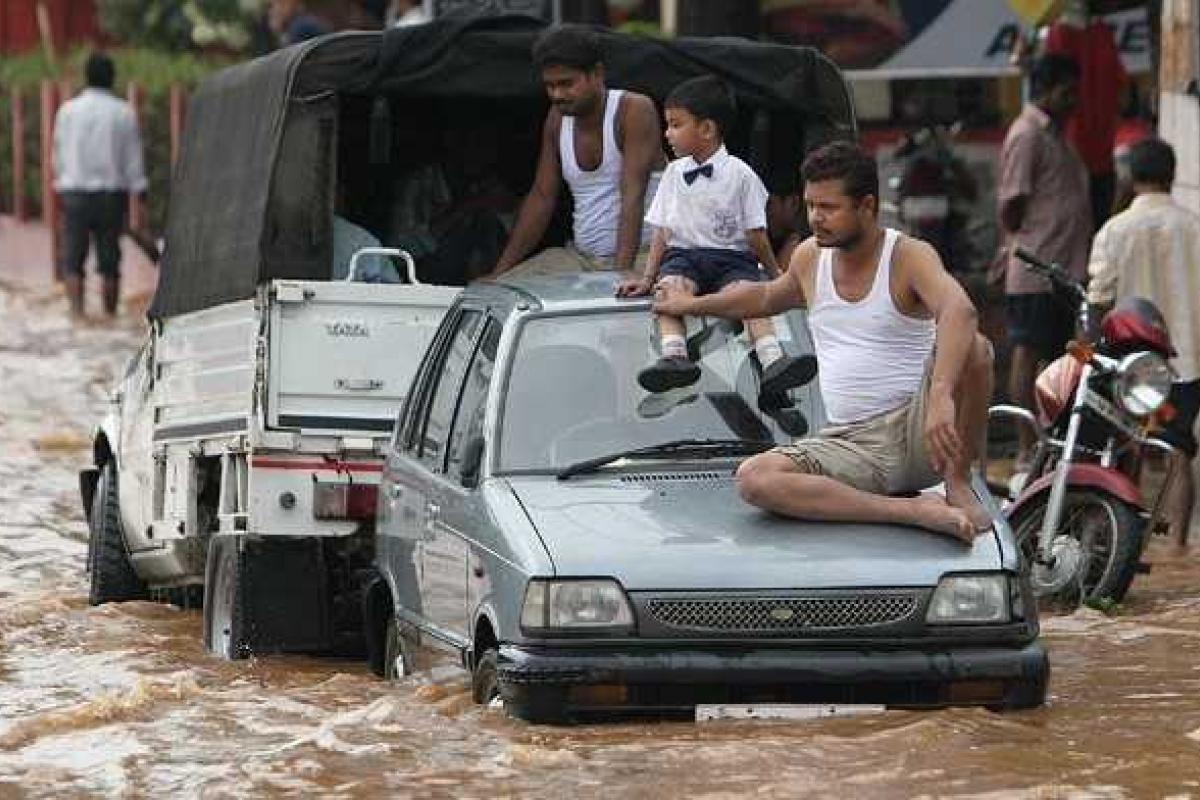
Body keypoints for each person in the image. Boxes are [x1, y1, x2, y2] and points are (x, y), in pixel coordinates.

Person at [653, 140, 994, 542]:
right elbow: (765, 297)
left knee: (976, 348)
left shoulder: (908, 255)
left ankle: (957, 481)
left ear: (867, 206)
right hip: (852, 445)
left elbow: (960, 311)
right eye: (810, 205)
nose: (816, 217)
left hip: (925, 434)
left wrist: (941, 394)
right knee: (755, 479)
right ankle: (911, 511)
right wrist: (691, 304)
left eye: (829, 208)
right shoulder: (810, 256)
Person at [615, 76, 816, 403]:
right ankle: (674, 354)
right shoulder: (673, 173)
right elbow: (663, 231)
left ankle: (772, 359)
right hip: (683, 256)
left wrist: (774, 275)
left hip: (733, 259)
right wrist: (648, 278)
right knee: (668, 292)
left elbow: (756, 234)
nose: (667, 134)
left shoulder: (741, 174)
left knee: (748, 298)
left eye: (675, 125)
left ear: (707, 129)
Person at [1087, 138, 1200, 543]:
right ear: (1172, 175)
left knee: (1125, 446)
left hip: (1131, 363)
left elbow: (1098, 298)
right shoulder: (1194, 227)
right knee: (1178, 453)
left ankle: (1125, 540)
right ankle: (1179, 548)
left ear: (1131, 177)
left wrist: (1088, 351)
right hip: (1187, 361)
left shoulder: (1115, 230)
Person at [486, 25, 665, 278]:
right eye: (550, 86)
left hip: (643, 256)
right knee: (503, 290)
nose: (557, 94)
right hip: (581, 258)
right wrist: (500, 273)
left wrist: (620, 275)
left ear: (597, 74)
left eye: (566, 84)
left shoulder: (633, 110)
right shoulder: (556, 119)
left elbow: (632, 194)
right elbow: (542, 197)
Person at [997, 53, 1090, 468]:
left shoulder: (1056, 134)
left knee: (1054, 360)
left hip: (1062, 270)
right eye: (1068, 91)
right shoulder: (1028, 134)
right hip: (1036, 267)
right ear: (1048, 89)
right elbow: (1011, 205)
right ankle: (1025, 446)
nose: (1074, 100)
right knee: (1026, 351)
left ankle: (1047, 446)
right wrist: (1028, 243)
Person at [52, 52, 147, 320]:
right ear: (112, 78)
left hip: (75, 195)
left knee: (73, 261)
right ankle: (110, 318)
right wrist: (140, 193)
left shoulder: (67, 111)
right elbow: (133, 159)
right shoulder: (124, 113)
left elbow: (57, 155)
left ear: (86, 77)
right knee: (110, 263)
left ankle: (77, 317)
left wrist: (61, 184)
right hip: (110, 197)